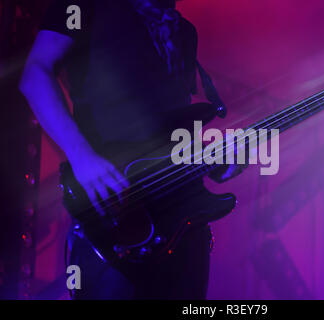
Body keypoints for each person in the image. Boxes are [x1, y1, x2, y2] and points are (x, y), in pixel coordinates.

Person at [20, 0, 237, 299]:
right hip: (117, 217)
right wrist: (82, 157)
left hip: (185, 223)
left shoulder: (184, 30)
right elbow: (35, 75)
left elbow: (174, 128)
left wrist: (211, 162)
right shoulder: (86, 6)